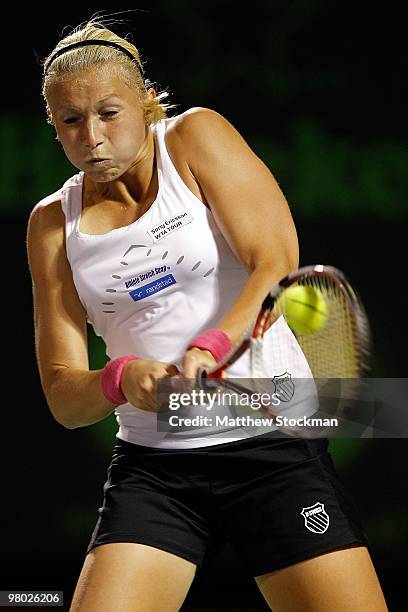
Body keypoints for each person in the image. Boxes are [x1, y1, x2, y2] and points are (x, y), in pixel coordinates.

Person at [26, 18, 388, 612]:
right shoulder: (50, 224)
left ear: (146, 102)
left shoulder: (194, 138)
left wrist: (214, 344)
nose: (91, 136)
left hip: (273, 451)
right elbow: (65, 400)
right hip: (155, 472)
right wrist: (120, 380)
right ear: (54, 126)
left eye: (109, 113)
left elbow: (275, 259)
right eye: (71, 120)